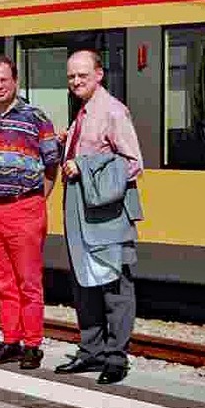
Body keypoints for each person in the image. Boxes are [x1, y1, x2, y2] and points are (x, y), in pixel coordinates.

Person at [55, 50, 144, 384]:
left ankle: (115, 358)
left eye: (83, 75)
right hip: (80, 207)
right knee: (85, 282)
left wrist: (84, 165)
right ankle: (91, 351)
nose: (76, 81)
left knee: (113, 285)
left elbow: (133, 162)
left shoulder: (113, 111)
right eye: (71, 76)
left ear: (99, 74)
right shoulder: (84, 112)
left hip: (107, 211)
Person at [0, 55, 60, 370]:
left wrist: (37, 201)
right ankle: (11, 340)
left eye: (3, 80)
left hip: (25, 207)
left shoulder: (36, 117)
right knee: (2, 281)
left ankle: (32, 344)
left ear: (15, 81)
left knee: (28, 281)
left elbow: (52, 164)